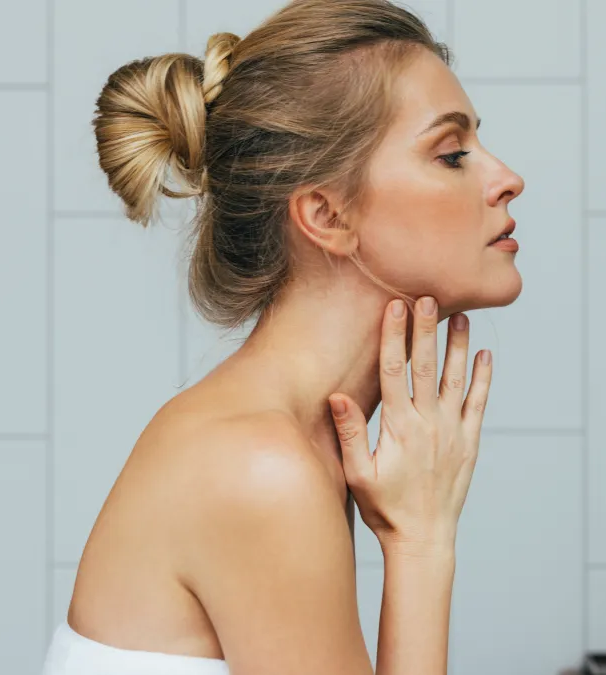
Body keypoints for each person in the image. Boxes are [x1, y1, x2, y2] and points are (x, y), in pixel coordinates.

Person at [41, 1, 524, 673]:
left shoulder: (300, 441)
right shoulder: (261, 468)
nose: (507, 178)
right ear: (327, 214)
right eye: (451, 154)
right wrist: (421, 540)